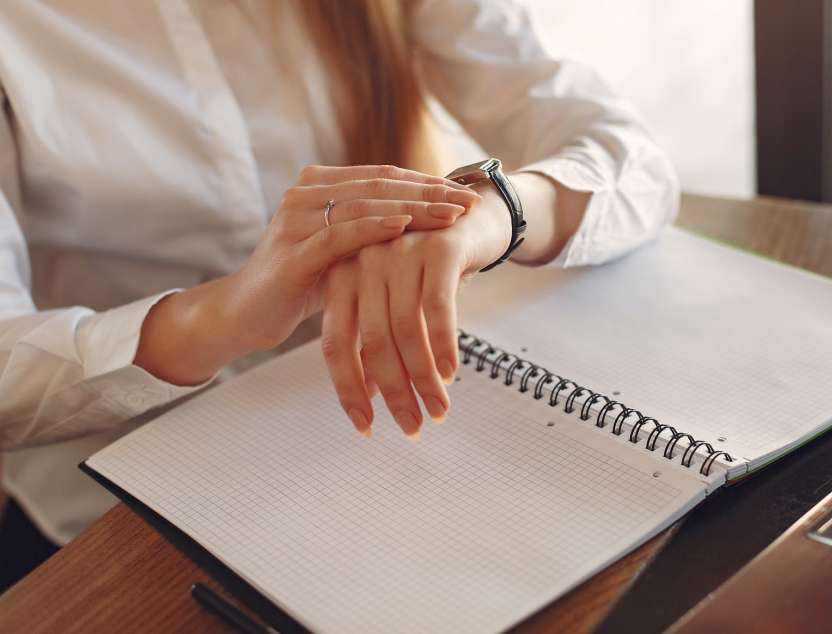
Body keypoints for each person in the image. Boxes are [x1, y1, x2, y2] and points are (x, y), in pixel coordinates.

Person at [0, 0, 679, 590]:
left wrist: (492, 214)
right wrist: (223, 315)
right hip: (111, 524)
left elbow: (632, 160)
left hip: (391, 457)